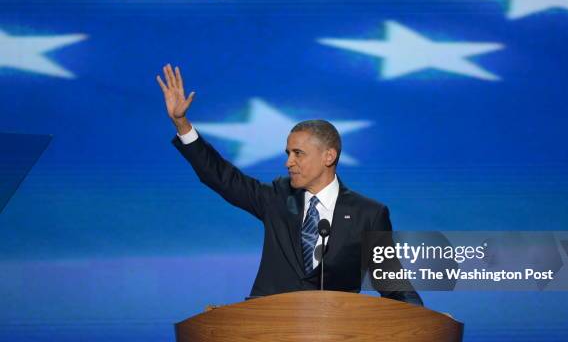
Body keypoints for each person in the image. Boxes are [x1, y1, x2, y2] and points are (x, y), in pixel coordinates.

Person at [156, 64, 422, 305]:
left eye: (298, 153)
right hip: (270, 329)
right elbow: (221, 177)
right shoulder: (278, 196)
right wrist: (182, 124)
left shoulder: (369, 214)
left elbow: (392, 283)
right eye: (288, 154)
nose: (288, 163)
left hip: (334, 336)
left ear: (329, 156)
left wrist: (427, 322)